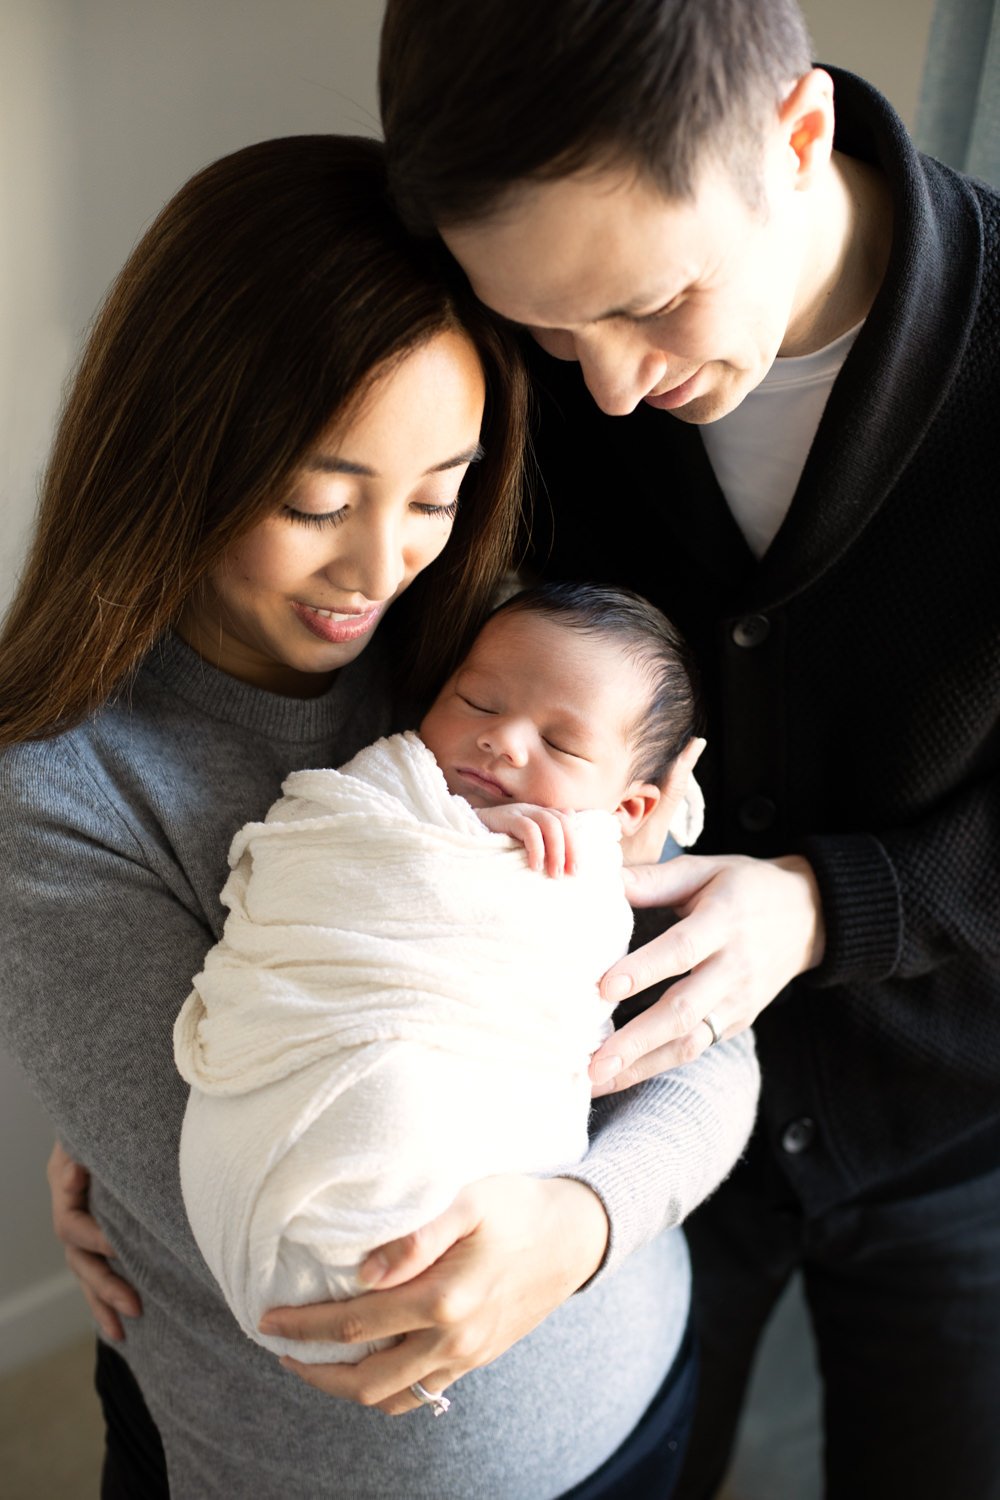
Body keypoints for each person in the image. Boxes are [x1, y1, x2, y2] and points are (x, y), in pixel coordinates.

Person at [0, 133, 759, 1499]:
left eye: (436, 492)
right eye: (316, 501)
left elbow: (713, 1044)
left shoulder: (508, 668)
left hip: (638, 1389)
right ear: (177, 451)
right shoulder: (64, 789)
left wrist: (584, 1225)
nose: (379, 567)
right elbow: (281, 1205)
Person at [377, 1, 1000, 1497]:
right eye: (545, 324)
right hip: (592, 1122)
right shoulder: (494, 351)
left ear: (797, 139)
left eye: (653, 305)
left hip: (954, 1137)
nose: (601, 387)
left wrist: (828, 903)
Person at [174, 580, 707, 1369]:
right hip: (275, 1132)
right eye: (478, 702)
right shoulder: (379, 795)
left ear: (631, 809)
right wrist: (464, 830)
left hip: (571, 1303)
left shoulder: (616, 879)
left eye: (561, 746)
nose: (503, 743)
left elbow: (662, 1039)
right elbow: (309, 848)